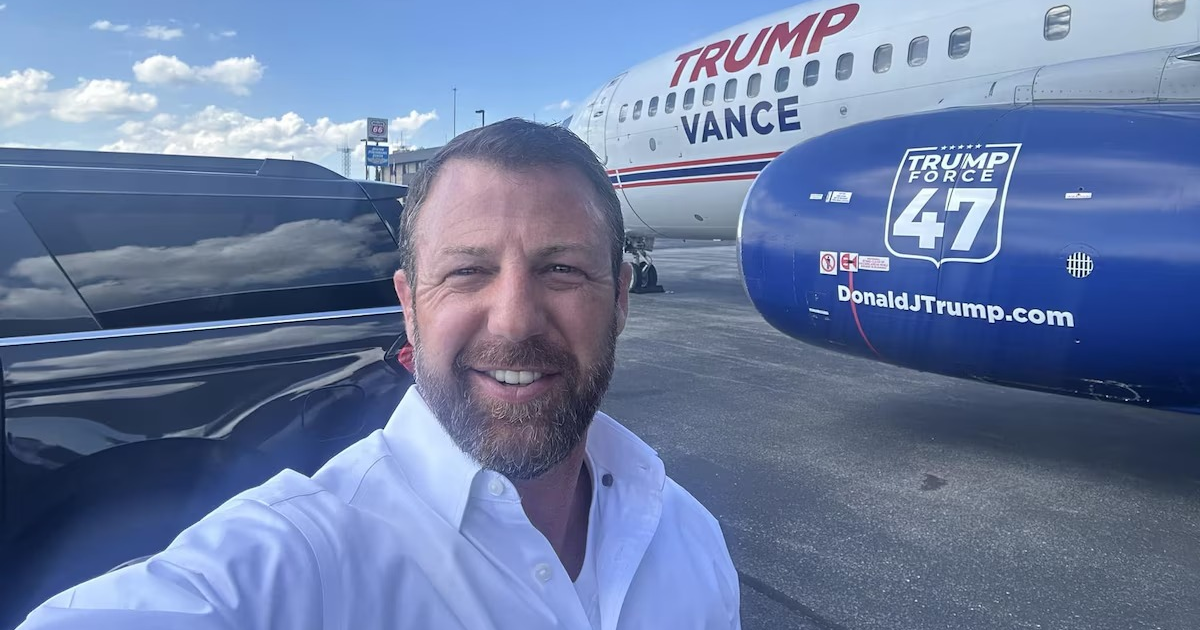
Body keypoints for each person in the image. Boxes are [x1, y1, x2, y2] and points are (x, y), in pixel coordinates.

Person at [16, 118, 741, 630]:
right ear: (408, 306)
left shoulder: (689, 538)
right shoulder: (300, 558)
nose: (515, 319)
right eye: (467, 271)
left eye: (561, 268)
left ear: (619, 298)